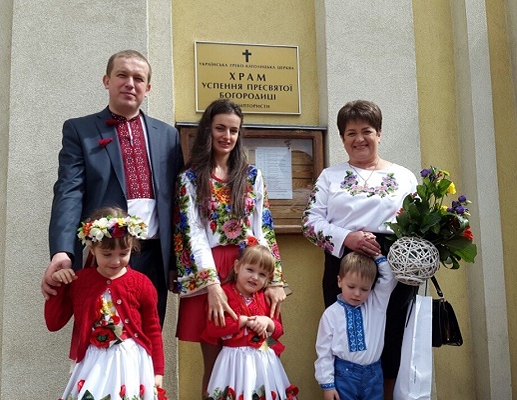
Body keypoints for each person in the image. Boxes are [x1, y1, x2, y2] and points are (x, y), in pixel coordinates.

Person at [42, 50, 183, 325]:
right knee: (104, 337)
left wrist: (177, 263)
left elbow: (177, 204)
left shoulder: (168, 135)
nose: (130, 83)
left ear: (148, 88)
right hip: (106, 257)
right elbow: (69, 193)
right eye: (122, 75)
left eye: (138, 78)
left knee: (148, 337)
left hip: (155, 258)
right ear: (107, 81)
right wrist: (62, 251)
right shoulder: (80, 130)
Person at [301, 99, 418, 398]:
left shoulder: (404, 177)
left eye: (366, 131)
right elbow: (310, 223)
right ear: (342, 138)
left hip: (393, 266)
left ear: (379, 133)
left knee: (392, 335)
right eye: (351, 133)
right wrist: (347, 238)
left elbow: (418, 224)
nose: (359, 139)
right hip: (345, 263)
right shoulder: (330, 176)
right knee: (342, 334)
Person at [172, 98, 287, 395]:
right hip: (209, 271)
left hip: (249, 269)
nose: (227, 136)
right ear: (207, 130)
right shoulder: (190, 178)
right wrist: (211, 286)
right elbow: (193, 233)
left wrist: (275, 279)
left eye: (233, 130)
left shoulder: (251, 175)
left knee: (258, 353)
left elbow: (263, 229)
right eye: (220, 128)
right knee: (216, 366)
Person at [44, 207, 167, 400]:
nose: (116, 261)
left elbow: (153, 328)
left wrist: (158, 371)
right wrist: (58, 286)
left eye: (123, 253)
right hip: (94, 364)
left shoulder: (142, 284)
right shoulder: (80, 282)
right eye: (107, 254)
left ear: (132, 246)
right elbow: (54, 323)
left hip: (131, 363)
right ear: (92, 249)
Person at [202, 245, 298, 400]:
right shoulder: (223, 295)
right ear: (237, 267)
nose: (255, 277)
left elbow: (278, 331)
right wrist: (241, 321)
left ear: (268, 279)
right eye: (250, 270)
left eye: (262, 274)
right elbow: (213, 329)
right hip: (233, 361)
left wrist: (267, 322)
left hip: (263, 361)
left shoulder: (265, 297)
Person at [315, 252, 396, 400]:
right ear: (339, 281)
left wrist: (375, 254)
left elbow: (389, 277)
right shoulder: (331, 314)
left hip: (374, 377)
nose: (357, 293)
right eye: (351, 286)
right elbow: (324, 352)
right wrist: (328, 385)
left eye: (364, 289)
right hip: (344, 378)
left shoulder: (376, 304)